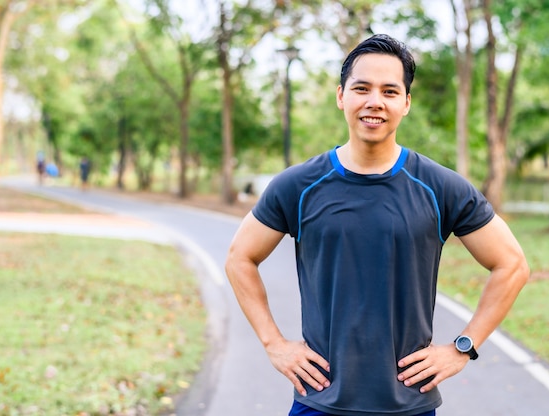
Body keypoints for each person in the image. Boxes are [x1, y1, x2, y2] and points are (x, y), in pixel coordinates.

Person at [224, 34, 529, 416]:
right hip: (320, 401)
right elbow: (240, 257)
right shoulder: (298, 186)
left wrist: (462, 348)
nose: (374, 101)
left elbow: (512, 264)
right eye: (362, 88)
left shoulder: (439, 187)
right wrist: (274, 344)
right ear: (341, 97)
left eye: (389, 91)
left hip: (409, 405)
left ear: (406, 103)